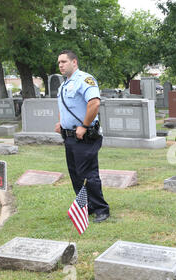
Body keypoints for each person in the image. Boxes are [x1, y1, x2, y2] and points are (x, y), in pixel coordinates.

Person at [54, 50, 110, 222]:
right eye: (59, 63)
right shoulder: (64, 85)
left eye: (64, 61)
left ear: (74, 62)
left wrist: (84, 126)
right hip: (69, 136)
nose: (61, 65)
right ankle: (86, 207)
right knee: (75, 174)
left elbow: (94, 103)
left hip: (85, 136)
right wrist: (61, 123)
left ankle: (101, 209)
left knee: (88, 173)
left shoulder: (85, 80)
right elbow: (64, 108)